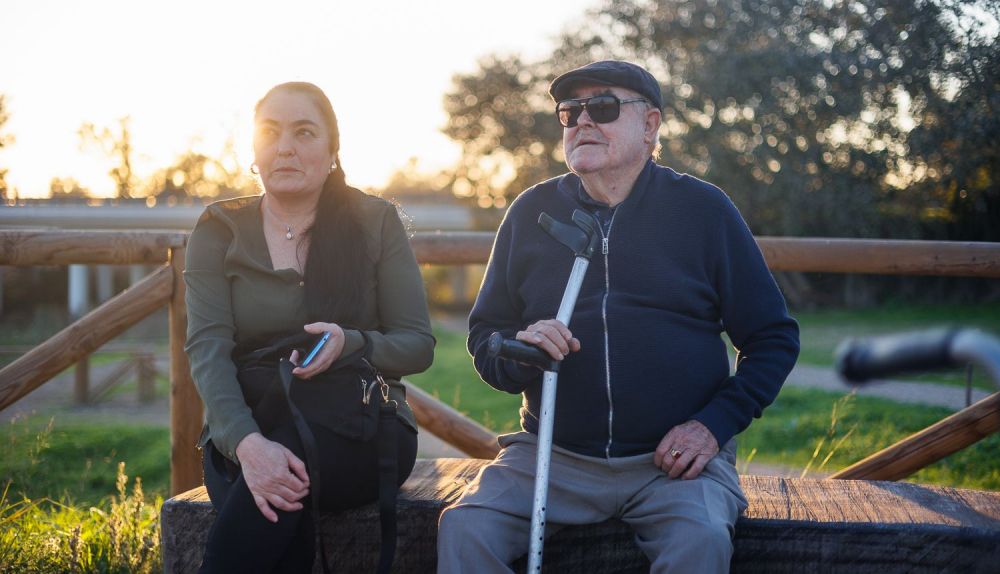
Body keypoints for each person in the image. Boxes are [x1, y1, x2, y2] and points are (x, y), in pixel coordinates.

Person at [436, 61, 799, 573]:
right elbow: (484, 337)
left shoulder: (704, 210)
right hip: (553, 456)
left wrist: (713, 426)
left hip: (672, 466)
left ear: (649, 125)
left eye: (602, 107)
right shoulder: (529, 213)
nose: (582, 121)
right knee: (465, 530)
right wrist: (519, 350)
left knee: (699, 543)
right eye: (569, 112)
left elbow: (773, 338)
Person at [184, 81, 434, 573]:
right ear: (254, 148)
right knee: (275, 480)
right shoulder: (218, 228)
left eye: (304, 133)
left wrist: (352, 343)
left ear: (332, 149)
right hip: (248, 426)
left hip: (359, 425)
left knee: (276, 489)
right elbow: (207, 349)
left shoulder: (375, 220)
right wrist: (249, 446)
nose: (285, 148)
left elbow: (417, 346)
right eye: (271, 132)